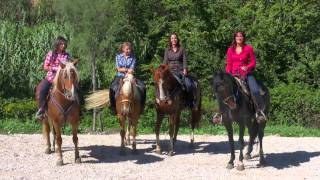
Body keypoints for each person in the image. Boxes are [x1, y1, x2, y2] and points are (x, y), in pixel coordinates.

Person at [225, 31, 266, 121]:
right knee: (223, 89)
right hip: (233, 75)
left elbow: (253, 62)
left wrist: (247, 67)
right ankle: (221, 114)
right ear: (235, 38)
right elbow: (229, 64)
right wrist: (228, 74)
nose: (239, 38)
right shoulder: (230, 49)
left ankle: (259, 112)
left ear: (243, 38)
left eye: (241, 36)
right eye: (237, 36)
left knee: (255, 90)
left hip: (246, 74)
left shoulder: (248, 48)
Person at [35, 36, 70, 120]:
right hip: (51, 78)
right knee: (42, 90)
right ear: (57, 44)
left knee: (75, 88)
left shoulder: (66, 55)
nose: (63, 45)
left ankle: (78, 110)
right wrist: (56, 69)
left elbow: (68, 66)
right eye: (61, 44)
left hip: (63, 79)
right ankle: (41, 110)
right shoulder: (51, 53)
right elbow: (45, 66)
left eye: (64, 44)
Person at [109, 42, 146, 114]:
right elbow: (118, 69)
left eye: (130, 49)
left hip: (130, 76)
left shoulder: (133, 57)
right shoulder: (118, 57)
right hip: (119, 76)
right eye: (127, 49)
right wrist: (126, 70)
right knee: (111, 88)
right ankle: (113, 107)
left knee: (143, 87)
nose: (129, 50)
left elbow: (132, 69)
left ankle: (142, 107)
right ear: (123, 49)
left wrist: (127, 71)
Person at [163, 33, 198, 110]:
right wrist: (163, 71)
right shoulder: (167, 50)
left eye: (175, 38)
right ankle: (162, 102)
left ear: (177, 39)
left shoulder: (182, 49)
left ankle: (191, 102)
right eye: (172, 38)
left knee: (189, 84)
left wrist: (185, 69)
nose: (173, 40)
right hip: (170, 72)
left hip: (180, 71)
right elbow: (165, 63)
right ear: (170, 40)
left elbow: (184, 60)